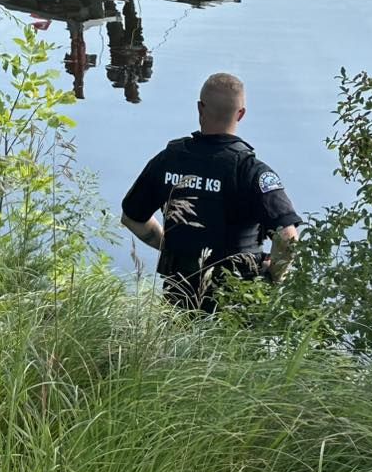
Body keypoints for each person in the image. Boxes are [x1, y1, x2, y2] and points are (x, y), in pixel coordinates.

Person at [120, 73, 301, 313]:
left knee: (177, 349)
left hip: (179, 296)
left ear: (199, 108)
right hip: (236, 302)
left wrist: (170, 247)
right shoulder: (251, 171)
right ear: (241, 114)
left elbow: (131, 217)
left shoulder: (169, 160)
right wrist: (273, 277)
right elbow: (288, 238)